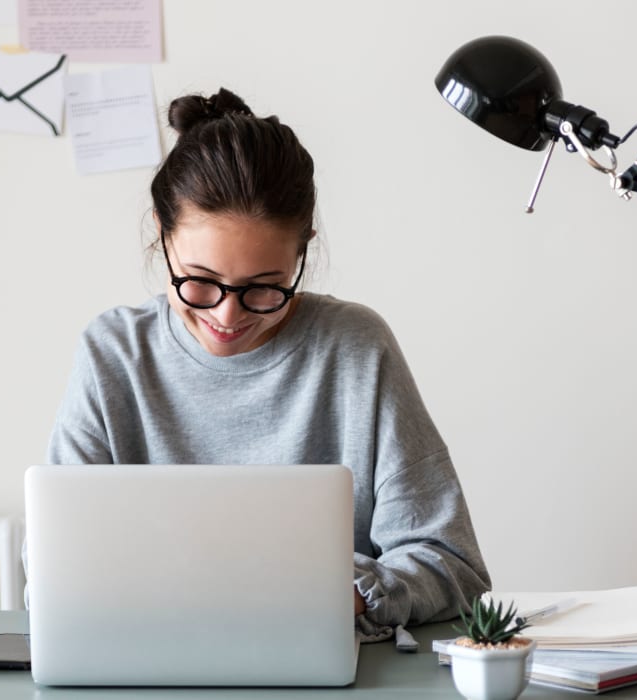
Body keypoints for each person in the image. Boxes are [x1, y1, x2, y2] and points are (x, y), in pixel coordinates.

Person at [46, 87, 491, 634]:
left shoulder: (356, 348)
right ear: (162, 240)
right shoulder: (112, 353)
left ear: (300, 255)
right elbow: (53, 562)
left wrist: (346, 594)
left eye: (264, 288)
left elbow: (452, 564)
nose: (228, 316)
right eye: (200, 282)